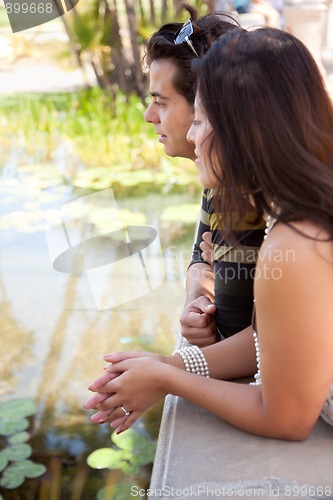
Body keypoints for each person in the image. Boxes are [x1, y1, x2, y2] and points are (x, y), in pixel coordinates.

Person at [85, 27, 333, 440]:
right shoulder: (302, 209)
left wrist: (169, 380)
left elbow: (287, 419)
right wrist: (168, 364)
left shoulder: (295, 240)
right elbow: (277, 338)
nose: (195, 136)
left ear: (242, 130)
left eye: (201, 119)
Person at [143, 4, 265, 347]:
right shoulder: (221, 178)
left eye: (161, 102)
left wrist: (171, 368)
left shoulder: (246, 193)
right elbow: (200, 254)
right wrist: (200, 285)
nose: (148, 115)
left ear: (207, 105)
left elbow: (235, 326)